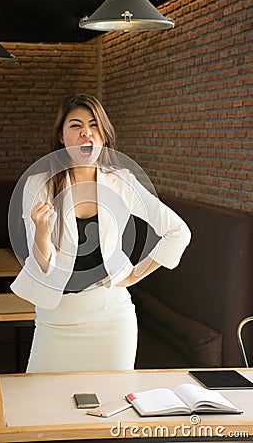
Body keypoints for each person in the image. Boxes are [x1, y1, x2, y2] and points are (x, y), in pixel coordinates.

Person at [10, 93, 191, 373]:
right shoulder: (39, 184)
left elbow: (178, 231)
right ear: (61, 136)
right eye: (75, 125)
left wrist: (135, 274)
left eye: (94, 125)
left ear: (103, 136)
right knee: (39, 408)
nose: (86, 132)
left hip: (112, 319)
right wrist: (42, 232)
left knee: (110, 406)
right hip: (57, 319)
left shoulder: (121, 181)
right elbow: (43, 266)